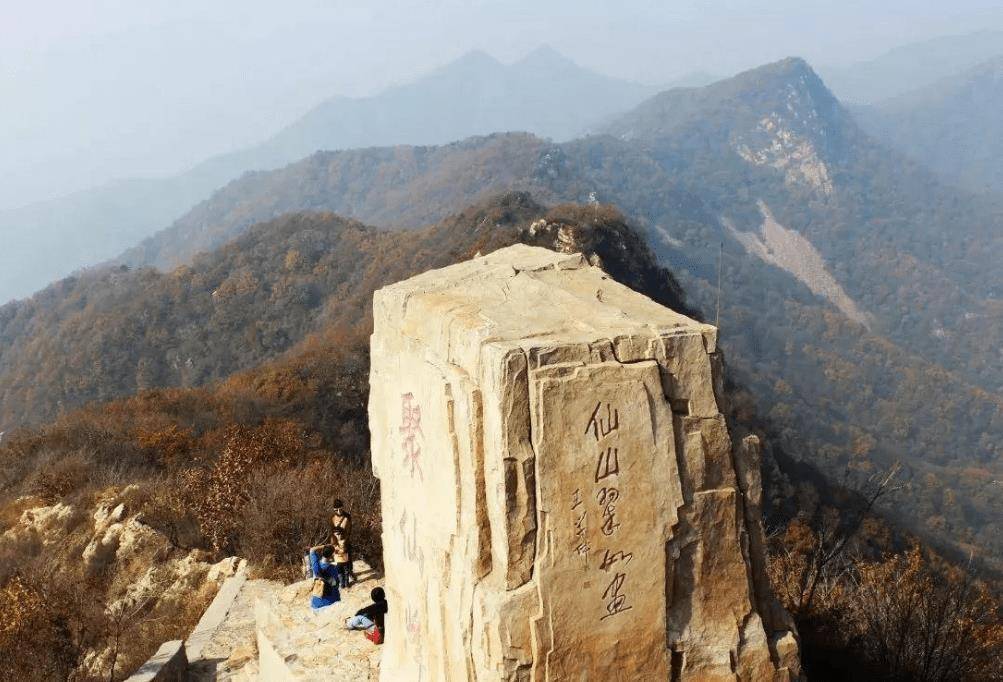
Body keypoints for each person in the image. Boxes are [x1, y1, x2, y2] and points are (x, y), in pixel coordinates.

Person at [308, 544, 341, 609]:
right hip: (330, 603)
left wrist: (324, 546)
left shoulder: (316, 565)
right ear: (332, 556)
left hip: (315, 603)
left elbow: (312, 550)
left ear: (322, 552)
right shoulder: (333, 569)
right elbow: (335, 585)